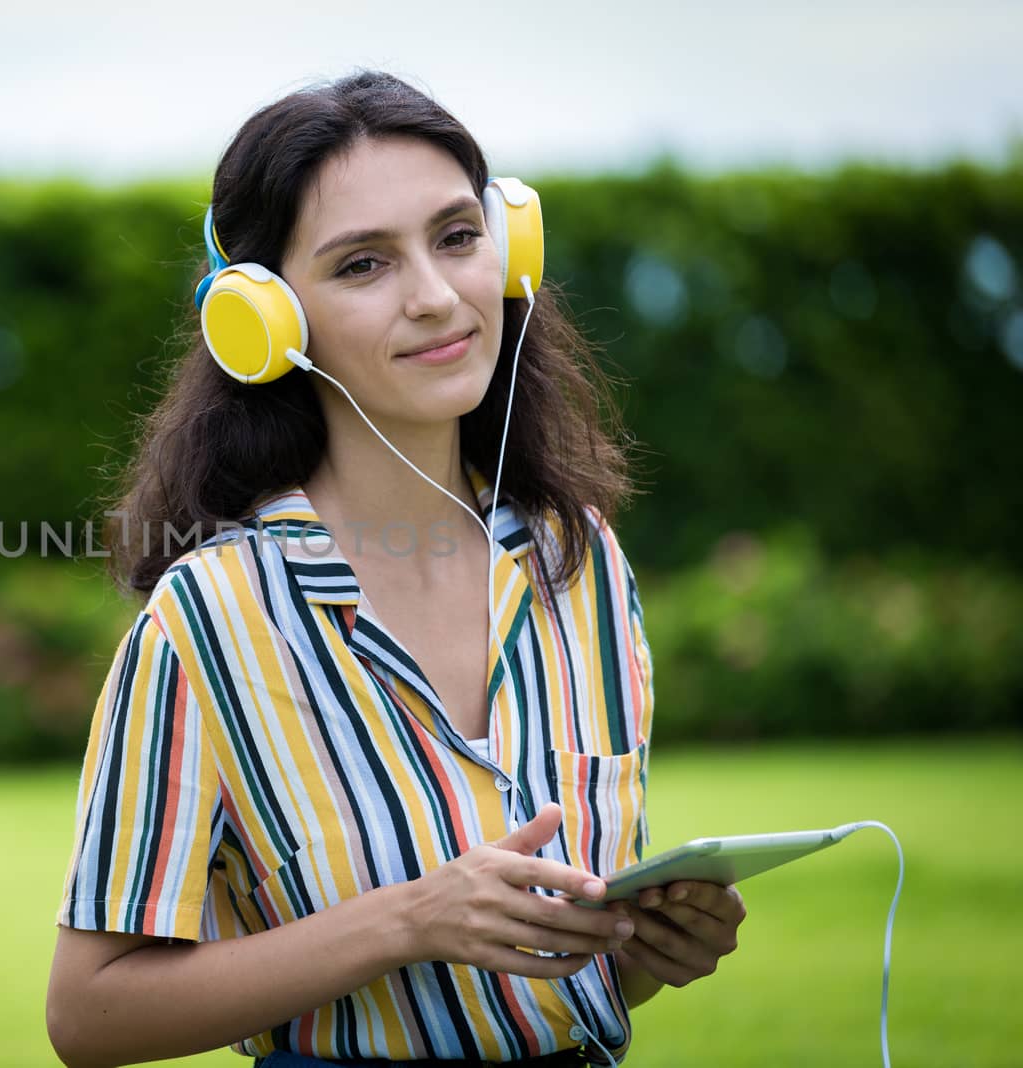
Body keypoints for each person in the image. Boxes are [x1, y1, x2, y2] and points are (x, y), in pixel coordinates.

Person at [46, 69, 745, 1068]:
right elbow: (87, 1016)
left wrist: (641, 947)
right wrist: (407, 919)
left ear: (509, 251)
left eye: (457, 237)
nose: (435, 296)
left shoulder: (580, 565)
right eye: (364, 265)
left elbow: (551, 982)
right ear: (267, 320)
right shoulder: (210, 621)